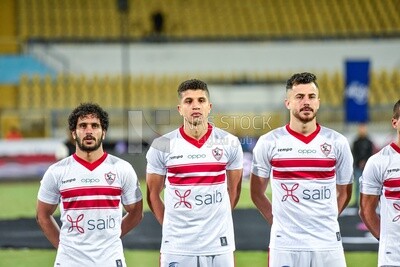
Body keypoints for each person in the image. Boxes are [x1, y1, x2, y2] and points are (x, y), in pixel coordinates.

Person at [250, 72, 353, 267]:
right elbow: (257, 192)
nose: (306, 102)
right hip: (285, 245)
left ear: (319, 102)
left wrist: (328, 220)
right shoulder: (269, 142)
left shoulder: (338, 142)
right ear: (287, 103)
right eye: (299, 97)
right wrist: (277, 221)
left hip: (327, 243)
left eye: (311, 97)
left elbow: (345, 191)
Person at [146, 79, 243, 267]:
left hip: (218, 243)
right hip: (177, 244)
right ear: (180, 109)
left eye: (201, 100)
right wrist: (170, 227)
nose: (195, 106)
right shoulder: (162, 145)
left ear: (209, 107)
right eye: (189, 101)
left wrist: (219, 219)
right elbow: (152, 194)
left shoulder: (230, 142)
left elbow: (235, 189)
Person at [36, 103, 143, 267]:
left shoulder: (122, 169)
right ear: (73, 133)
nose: (89, 131)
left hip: (110, 260)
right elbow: (42, 215)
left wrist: (111, 236)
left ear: (104, 132)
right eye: (82, 126)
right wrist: (64, 247)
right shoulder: (56, 171)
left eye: (95, 125)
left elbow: (136, 212)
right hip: (69, 261)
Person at [359, 99, 400, 266]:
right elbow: (366, 210)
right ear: (395, 122)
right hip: (393, 258)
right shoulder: (378, 162)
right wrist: (386, 240)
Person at [351, 123, 374, 207]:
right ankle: (357, 202)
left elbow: (371, 154)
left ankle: (367, 202)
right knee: (357, 185)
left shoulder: (369, 142)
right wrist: (358, 162)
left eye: (363, 128)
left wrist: (365, 162)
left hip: (367, 167)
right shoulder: (356, 142)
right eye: (360, 129)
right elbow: (354, 154)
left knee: (367, 186)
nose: (362, 130)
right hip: (357, 167)